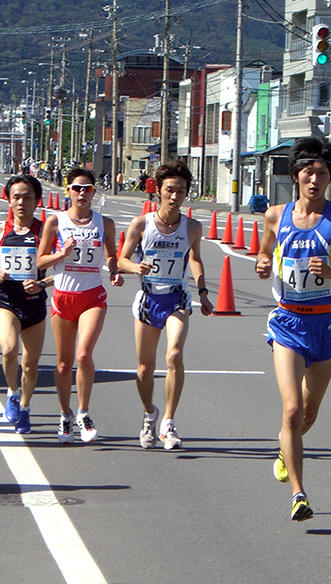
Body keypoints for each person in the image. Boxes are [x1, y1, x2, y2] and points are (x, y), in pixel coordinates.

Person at [255, 137, 331, 522]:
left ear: (330, 178)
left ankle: (285, 448)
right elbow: (265, 250)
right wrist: (262, 263)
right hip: (287, 321)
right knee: (291, 409)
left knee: (309, 410)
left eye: (322, 173)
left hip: (326, 324)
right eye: (308, 172)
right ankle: (299, 495)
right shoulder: (275, 215)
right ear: (296, 176)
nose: (314, 179)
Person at [118, 161, 213, 450]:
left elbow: (194, 258)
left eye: (181, 191)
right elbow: (122, 260)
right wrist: (136, 268)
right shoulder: (141, 224)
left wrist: (203, 291)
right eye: (169, 190)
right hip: (149, 299)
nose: (175, 197)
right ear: (158, 191)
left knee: (174, 355)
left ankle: (168, 422)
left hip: (177, 299)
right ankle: (150, 414)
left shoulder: (192, 227)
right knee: (145, 369)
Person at [37, 167, 124, 444]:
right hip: (63, 296)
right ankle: (64, 416)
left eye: (87, 188)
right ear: (68, 191)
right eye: (77, 188)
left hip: (92, 297)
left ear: (93, 192)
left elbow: (112, 256)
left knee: (84, 355)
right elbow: (39, 262)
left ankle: (84, 413)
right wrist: (61, 254)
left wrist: (115, 271)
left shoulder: (104, 223)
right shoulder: (55, 222)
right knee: (64, 363)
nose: (82, 193)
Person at [0, 174, 51, 434]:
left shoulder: (45, 233)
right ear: (8, 200)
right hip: (6, 301)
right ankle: (12, 393)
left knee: (30, 364)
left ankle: (26, 407)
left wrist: (43, 283)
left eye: (27, 197)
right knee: (9, 350)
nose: (21, 202)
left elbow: (63, 270)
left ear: (36, 201)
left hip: (35, 304)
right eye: (16, 197)